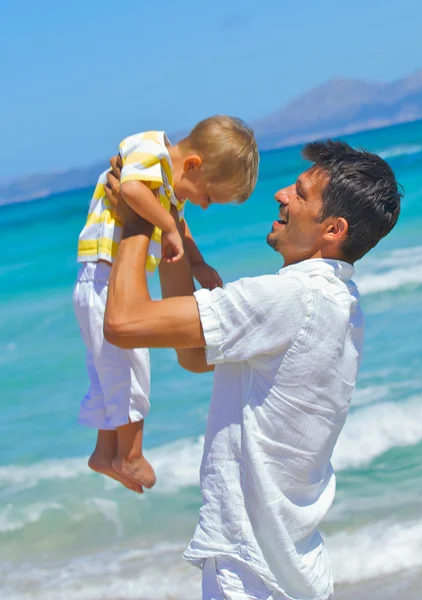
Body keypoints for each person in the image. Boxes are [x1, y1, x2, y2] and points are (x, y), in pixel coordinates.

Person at [103, 139, 401, 599]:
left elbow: (123, 323)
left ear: (332, 229)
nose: (282, 194)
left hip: (249, 573)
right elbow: (194, 356)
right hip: (291, 569)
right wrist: (172, 231)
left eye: (301, 194)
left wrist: (135, 217)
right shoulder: (341, 302)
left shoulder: (289, 298)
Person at [73, 116, 259, 494]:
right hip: (103, 276)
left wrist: (198, 262)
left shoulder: (169, 190)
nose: (204, 206)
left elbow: (179, 224)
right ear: (193, 165)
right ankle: (131, 454)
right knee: (129, 362)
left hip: (102, 280)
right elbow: (130, 191)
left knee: (106, 367)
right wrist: (169, 228)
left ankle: (105, 450)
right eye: (208, 196)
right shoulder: (150, 149)